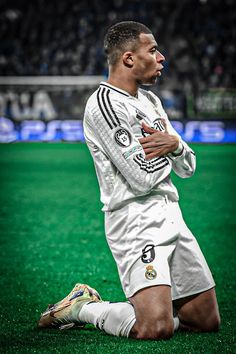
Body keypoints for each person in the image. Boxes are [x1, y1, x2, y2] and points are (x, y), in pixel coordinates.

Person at [38, 21, 220, 339]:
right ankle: (82, 307)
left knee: (205, 322)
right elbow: (140, 177)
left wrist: (174, 145)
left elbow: (188, 166)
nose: (162, 57)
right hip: (135, 220)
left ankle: (154, 303)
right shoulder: (104, 105)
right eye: (152, 50)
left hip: (172, 214)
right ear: (128, 59)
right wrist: (172, 151)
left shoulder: (150, 102)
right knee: (155, 327)